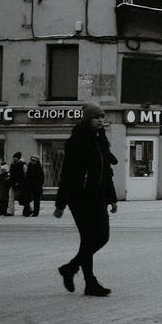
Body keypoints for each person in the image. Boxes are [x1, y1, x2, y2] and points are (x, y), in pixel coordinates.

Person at [54, 102, 118, 296]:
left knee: (103, 237)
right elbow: (67, 173)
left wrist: (112, 198)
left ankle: (70, 268)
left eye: (102, 117)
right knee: (89, 239)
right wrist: (60, 204)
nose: (100, 121)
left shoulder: (101, 140)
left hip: (98, 196)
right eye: (97, 117)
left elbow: (107, 172)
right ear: (88, 119)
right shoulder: (77, 141)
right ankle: (90, 283)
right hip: (79, 197)